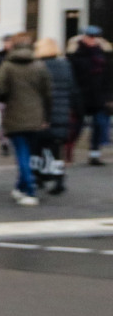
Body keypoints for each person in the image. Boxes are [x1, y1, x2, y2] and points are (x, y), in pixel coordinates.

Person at [0, 34, 52, 207]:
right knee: (28, 153)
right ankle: (21, 187)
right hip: (36, 116)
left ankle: (29, 189)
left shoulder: (7, 65)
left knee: (21, 153)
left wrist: (6, 97)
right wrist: (46, 117)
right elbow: (48, 93)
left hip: (14, 115)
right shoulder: (39, 65)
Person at [35, 37, 80, 194]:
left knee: (38, 147)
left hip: (42, 113)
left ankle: (39, 177)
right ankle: (59, 180)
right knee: (57, 148)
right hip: (62, 112)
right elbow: (73, 89)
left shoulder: (38, 66)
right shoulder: (65, 65)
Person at [66, 25, 113, 165]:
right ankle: (68, 152)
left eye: (96, 37)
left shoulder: (103, 54)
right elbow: (70, 69)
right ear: (84, 37)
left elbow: (109, 76)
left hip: (100, 96)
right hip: (81, 95)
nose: (93, 40)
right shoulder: (77, 52)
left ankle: (94, 154)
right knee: (75, 127)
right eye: (90, 37)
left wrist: (110, 97)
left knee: (99, 125)